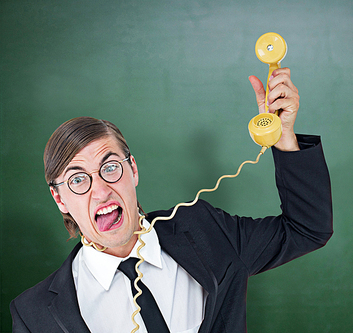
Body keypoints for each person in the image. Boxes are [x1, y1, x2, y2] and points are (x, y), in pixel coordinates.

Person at [10, 68, 333, 333]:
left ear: (133, 169)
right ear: (59, 198)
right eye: (78, 179)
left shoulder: (205, 230)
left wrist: (285, 138)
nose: (100, 190)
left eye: (110, 167)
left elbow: (307, 228)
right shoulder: (33, 314)